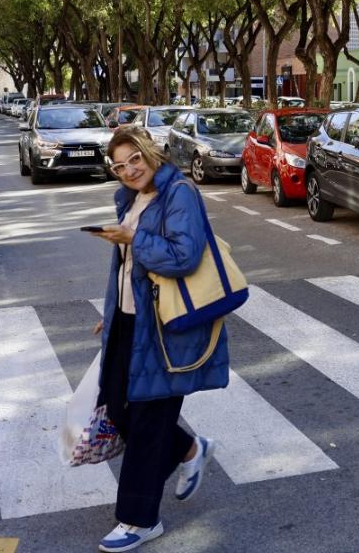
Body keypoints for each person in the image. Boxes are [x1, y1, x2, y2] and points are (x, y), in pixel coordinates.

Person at [86, 124, 228, 552]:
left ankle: (139, 519)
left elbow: (184, 257)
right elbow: (128, 267)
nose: (129, 169)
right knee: (118, 407)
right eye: (119, 165)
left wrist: (133, 237)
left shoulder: (179, 193)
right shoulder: (130, 197)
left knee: (148, 422)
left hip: (167, 327)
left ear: (150, 153)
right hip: (130, 320)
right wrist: (111, 311)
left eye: (134, 159)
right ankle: (189, 449)